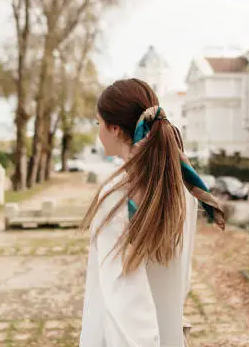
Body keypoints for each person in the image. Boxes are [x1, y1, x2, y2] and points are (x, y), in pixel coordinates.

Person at [79, 78, 226, 346]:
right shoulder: (183, 188)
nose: (98, 132)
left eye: (98, 123)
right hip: (169, 333)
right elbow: (181, 276)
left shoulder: (115, 195)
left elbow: (122, 301)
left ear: (113, 128)